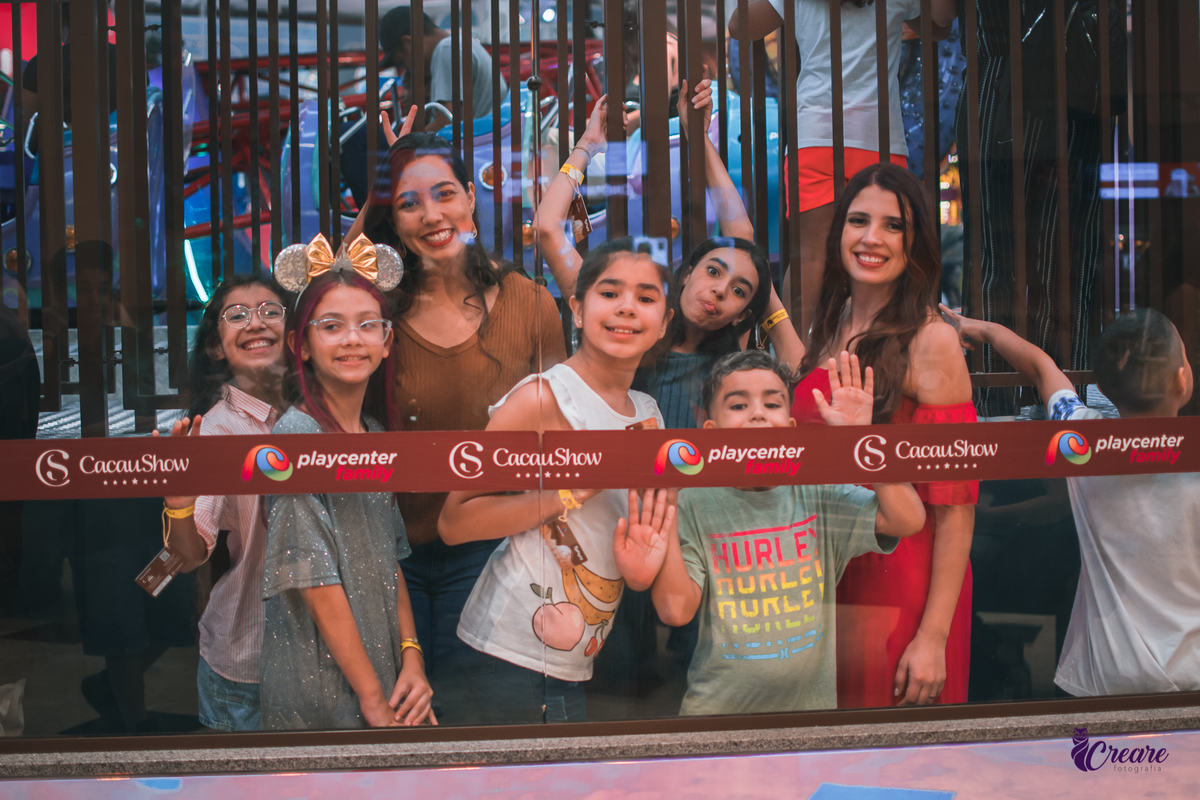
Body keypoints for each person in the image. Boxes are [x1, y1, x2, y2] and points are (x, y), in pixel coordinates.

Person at [356, 132, 566, 724]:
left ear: (472, 197)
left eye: (444, 193)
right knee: (402, 729)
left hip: (494, 552)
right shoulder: (371, 315)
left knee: (485, 727)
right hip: (389, 554)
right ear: (391, 221)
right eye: (408, 203)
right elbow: (311, 319)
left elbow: (559, 436)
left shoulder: (529, 304)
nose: (432, 215)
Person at [438, 239, 676, 724]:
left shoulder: (648, 414)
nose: (628, 307)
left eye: (646, 298)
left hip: (576, 653)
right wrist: (566, 493)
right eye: (610, 293)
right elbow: (455, 521)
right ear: (578, 310)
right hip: (507, 651)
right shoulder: (542, 399)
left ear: (664, 323)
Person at [790, 162, 976, 708]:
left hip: (902, 581)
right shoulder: (831, 322)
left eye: (893, 226)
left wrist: (933, 636)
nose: (872, 238)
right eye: (858, 221)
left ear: (915, 242)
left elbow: (956, 507)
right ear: (838, 233)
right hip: (825, 574)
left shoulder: (932, 342)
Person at [941, 305, 1198, 696]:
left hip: (1106, 674)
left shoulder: (1083, 440)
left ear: (1105, 392)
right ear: (1182, 379)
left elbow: (1043, 368)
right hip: (1190, 673)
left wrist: (986, 329)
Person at [651, 349, 926, 714]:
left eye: (772, 403)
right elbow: (675, 611)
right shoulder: (694, 502)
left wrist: (861, 440)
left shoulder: (816, 491)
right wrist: (667, 510)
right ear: (711, 433)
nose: (758, 413)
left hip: (810, 720)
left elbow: (907, 520)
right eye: (737, 406)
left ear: (792, 427)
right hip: (718, 715)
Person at [536, 80, 806, 430]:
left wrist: (761, 293)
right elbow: (546, 229)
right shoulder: (633, 324)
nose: (721, 290)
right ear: (688, 271)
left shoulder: (734, 359)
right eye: (713, 272)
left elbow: (799, 371)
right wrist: (586, 146)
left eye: (739, 291)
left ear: (742, 315)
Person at [259, 254, 435, 729]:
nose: (352, 339)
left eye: (366, 325)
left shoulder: (375, 435)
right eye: (332, 326)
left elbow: (390, 559)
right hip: (323, 686)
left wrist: (412, 657)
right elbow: (315, 583)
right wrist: (373, 698)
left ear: (386, 341)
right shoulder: (295, 438)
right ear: (302, 344)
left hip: (384, 675)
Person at [729, 0, 955, 332]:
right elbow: (939, 26)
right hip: (879, 140)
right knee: (886, 254)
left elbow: (740, 26)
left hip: (816, 135)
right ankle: (879, 356)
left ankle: (795, 364)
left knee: (810, 259)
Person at [147, 276, 288, 731]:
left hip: (336, 657)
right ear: (215, 347)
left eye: (271, 310)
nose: (255, 323)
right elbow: (183, 559)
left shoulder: (325, 415)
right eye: (237, 315)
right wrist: (179, 506)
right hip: (248, 664)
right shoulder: (214, 431)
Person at [378, 6, 507, 132]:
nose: (409, 70)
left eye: (403, 62)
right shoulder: (457, 44)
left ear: (408, 43)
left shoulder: (447, 50)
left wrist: (406, 142)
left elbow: (446, 124)